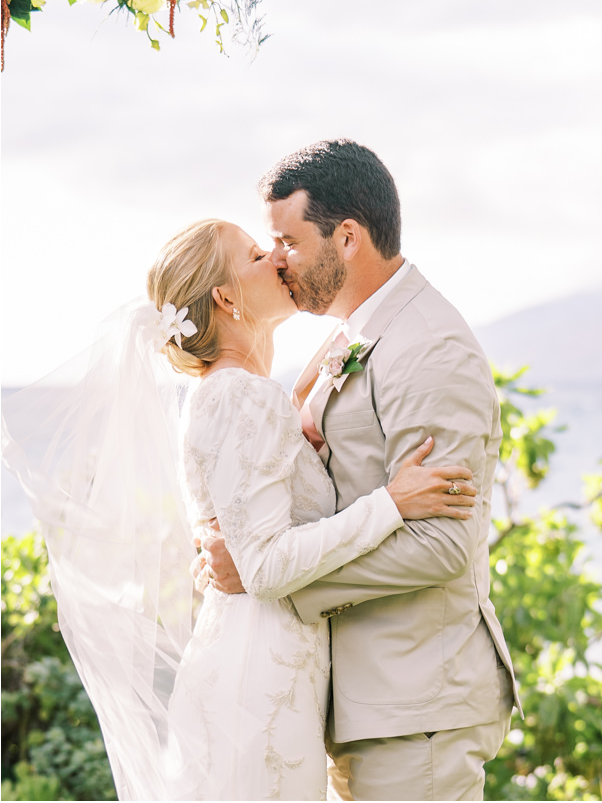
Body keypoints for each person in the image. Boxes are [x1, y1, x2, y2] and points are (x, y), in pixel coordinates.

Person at [1, 219, 476, 800]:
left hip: (269, 668)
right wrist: (391, 503)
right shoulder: (237, 396)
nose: (276, 257)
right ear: (226, 297)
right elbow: (268, 568)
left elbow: (259, 531)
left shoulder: (233, 392)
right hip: (261, 679)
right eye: (255, 254)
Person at [198, 139, 519, 799]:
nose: (278, 261)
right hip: (368, 698)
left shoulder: (428, 347)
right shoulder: (358, 333)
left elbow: (443, 545)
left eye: (286, 241)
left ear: (345, 238)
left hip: (417, 701)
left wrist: (272, 580)